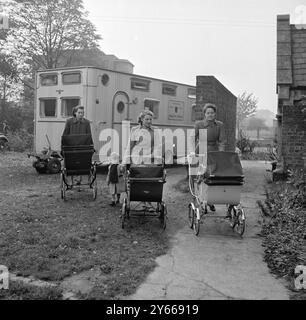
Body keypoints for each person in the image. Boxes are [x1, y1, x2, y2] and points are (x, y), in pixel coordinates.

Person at [190, 103, 227, 212]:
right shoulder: (199, 124)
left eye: (212, 113)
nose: (210, 115)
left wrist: (221, 154)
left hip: (213, 152)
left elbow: (222, 141)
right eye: (208, 113)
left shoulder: (220, 125)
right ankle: (199, 200)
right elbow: (192, 138)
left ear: (215, 114)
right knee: (199, 177)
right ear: (204, 114)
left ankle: (210, 200)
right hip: (200, 151)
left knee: (212, 177)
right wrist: (192, 151)